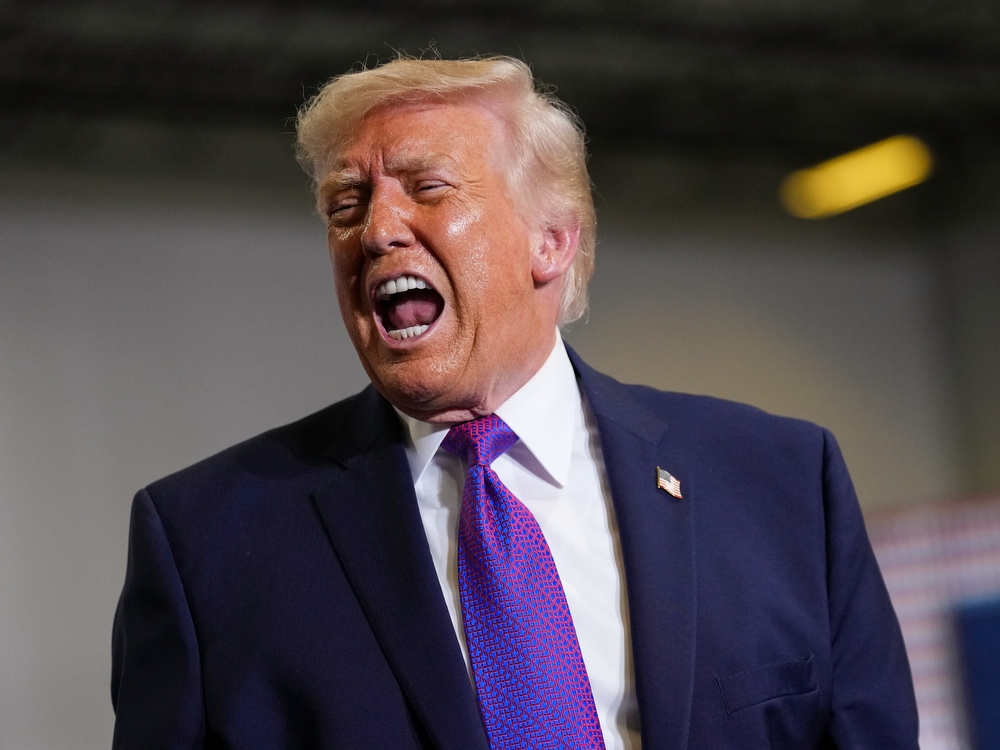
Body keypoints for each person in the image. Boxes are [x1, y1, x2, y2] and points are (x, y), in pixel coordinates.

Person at [111, 56, 919, 749]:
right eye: (345, 206)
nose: (377, 230)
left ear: (551, 239)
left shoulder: (780, 481)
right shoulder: (206, 543)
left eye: (427, 187)